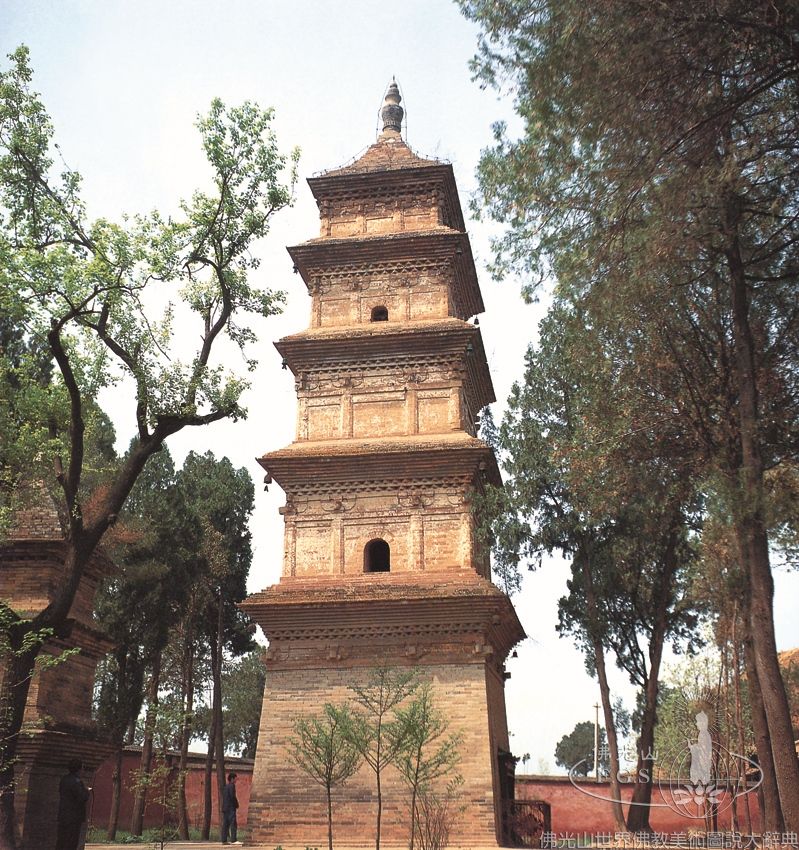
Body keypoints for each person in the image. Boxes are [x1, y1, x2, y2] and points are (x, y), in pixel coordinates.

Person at [55, 758, 90, 850]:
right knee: (71, 842)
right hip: (74, 817)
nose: (83, 771)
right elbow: (82, 797)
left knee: (61, 841)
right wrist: (86, 791)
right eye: (82, 768)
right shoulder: (76, 782)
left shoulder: (64, 779)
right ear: (78, 769)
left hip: (63, 815)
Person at [221, 771, 239, 844]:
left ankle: (224, 840)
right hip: (231, 807)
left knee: (225, 824)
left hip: (225, 808)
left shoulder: (226, 787)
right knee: (233, 823)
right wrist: (236, 804)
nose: (236, 780)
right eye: (235, 779)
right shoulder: (232, 786)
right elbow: (232, 796)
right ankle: (233, 839)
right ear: (232, 779)